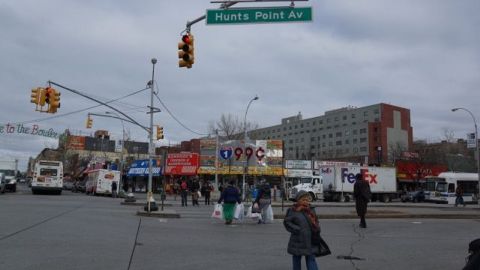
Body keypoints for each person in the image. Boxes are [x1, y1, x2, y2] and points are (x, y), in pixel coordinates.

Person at [284, 190, 330, 270]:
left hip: (310, 239)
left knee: (311, 258)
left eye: (307, 199)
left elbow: (316, 220)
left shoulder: (311, 209)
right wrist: (298, 229)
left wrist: (317, 228)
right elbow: (287, 222)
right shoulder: (293, 210)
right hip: (298, 240)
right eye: (303, 200)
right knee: (296, 258)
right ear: (298, 200)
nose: (306, 201)